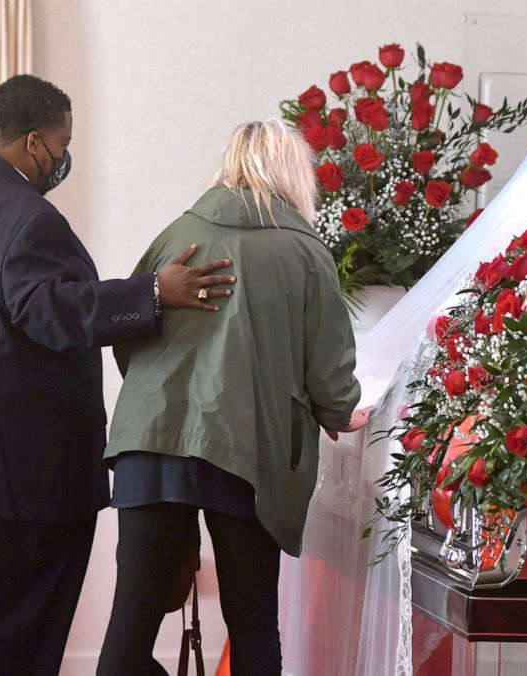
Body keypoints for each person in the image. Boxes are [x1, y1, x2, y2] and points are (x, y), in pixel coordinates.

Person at [0, 74, 236, 675]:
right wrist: (153, 292)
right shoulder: (23, 215)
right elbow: (51, 309)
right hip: (0, 488)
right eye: (63, 143)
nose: (63, 158)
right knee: (1, 653)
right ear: (35, 141)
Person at [97, 119, 366, 676]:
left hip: (150, 441)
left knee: (131, 622)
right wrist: (338, 411)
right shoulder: (302, 251)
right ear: (294, 172)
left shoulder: (177, 233)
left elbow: (130, 335)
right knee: (252, 626)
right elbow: (329, 362)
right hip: (248, 451)